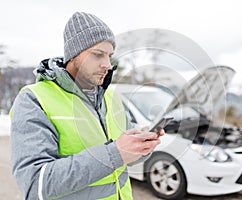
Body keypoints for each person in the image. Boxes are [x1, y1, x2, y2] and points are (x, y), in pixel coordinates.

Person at [10, 11, 163, 200]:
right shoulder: (34, 100)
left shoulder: (111, 98)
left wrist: (142, 146)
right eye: (98, 55)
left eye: (109, 56)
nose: (107, 64)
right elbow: (35, 185)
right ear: (73, 56)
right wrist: (115, 153)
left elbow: (125, 158)